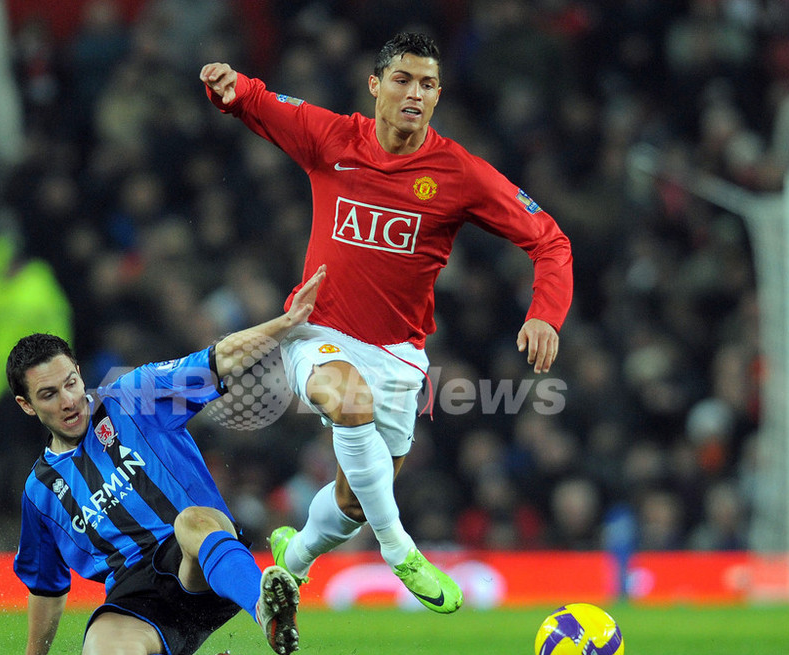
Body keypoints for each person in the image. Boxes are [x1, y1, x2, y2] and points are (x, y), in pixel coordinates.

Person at [200, 31, 573, 613]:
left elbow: (549, 240)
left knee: (353, 500)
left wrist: (545, 315)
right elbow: (263, 103)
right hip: (315, 328)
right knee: (348, 404)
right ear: (376, 86)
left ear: (438, 95)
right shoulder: (334, 138)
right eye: (402, 80)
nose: (414, 94)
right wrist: (230, 89)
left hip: (399, 353)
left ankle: (288, 565)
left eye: (427, 85)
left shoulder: (459, 173)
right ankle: (400, 550)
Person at [0, 266, 328, 655]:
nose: (69, 401)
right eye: (49, 395)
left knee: (190, 522)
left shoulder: (134, 394)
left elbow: (214, 360)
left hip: (201, 561)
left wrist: (285, 324)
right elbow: (46, 587)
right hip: (139, 599)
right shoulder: (40, 493)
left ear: (78, 369)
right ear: (25, 405)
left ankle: (266, 610)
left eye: (70, 382)